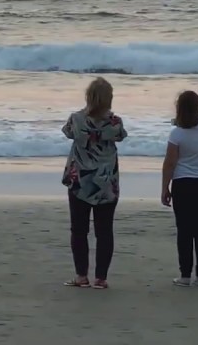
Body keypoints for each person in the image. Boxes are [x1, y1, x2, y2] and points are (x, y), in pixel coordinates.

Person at [61, 77, 126, 289]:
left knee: (79, 230)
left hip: (80, 181)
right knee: (104, 231)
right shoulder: (115, 123)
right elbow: (121, 136)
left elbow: (67, 132)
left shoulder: (77, 119)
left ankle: (81, 276)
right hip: (106, 183)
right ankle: (101, 279)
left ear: (88, 97)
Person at [162, 90, 198, 286]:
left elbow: (170, 163)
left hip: (183, 184)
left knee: (184, 231)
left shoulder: (176, 133)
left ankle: (185, 275)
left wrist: (165, 188)